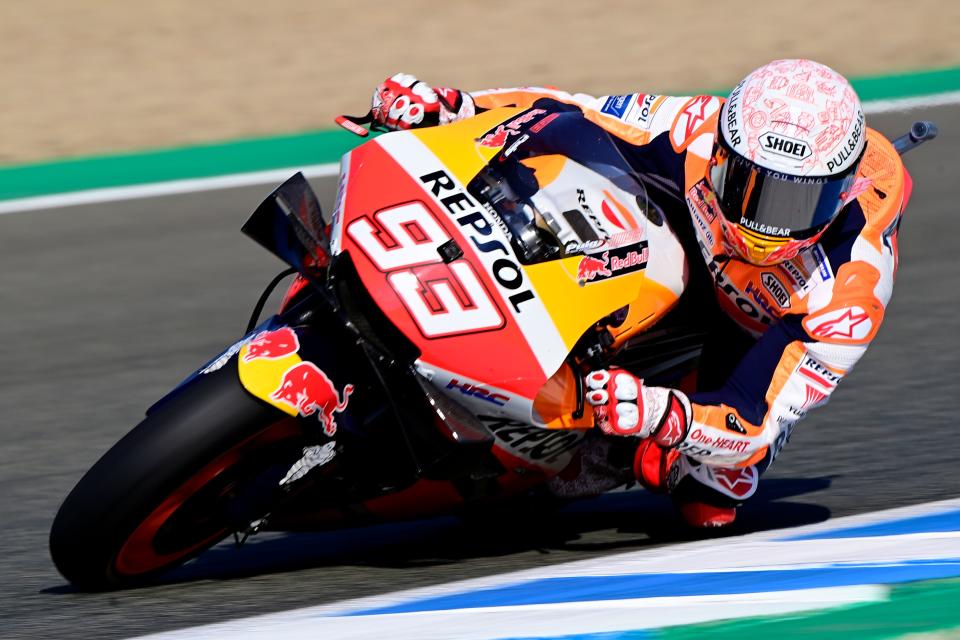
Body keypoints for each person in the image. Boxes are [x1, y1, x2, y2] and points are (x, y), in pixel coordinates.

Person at [359, 61, 907, 527]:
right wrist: (456, 107)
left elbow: (756, 422)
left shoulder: (850, 291)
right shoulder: (693, 128)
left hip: (749, 336)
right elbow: (569, 112)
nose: (768, 225)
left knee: (711, 495)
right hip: (675, 242)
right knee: (560, 172)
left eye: (796, 205)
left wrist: (656, 415)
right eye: (749, 188)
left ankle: (598, 455)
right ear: (722, 154)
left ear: (843, 192)